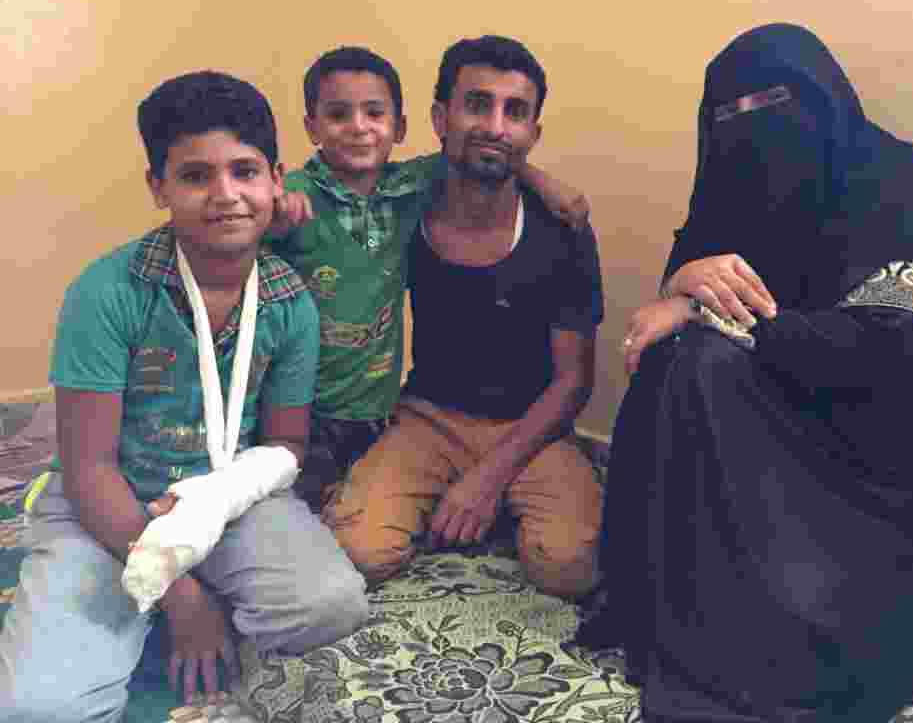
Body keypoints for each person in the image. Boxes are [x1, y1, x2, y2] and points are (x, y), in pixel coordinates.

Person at [576, 23, 913, 722]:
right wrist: (687, 283)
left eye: (774, 101)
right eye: (729, 113)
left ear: (826, 100)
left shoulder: (896, 181)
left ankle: (776, 617)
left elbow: (903, 349)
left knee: (706, 358)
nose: (751, 128)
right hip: (759, 418)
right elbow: (677, 300)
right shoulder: (725, 190)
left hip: (885, 451)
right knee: (684, 361)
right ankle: (684, 602)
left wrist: (717, 318)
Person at [0, 72, 369, 722]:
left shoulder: (289, 303)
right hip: (107, 504)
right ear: (158, 187)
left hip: (225, 499)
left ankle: (155, 606)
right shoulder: (109, 292)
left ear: (275, 179)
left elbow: (285, 446)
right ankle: (148, 608)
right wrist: (184, 598)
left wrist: (216, 500)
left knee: (330, 606)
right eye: (196, 176)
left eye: (245, 171)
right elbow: (89, 469)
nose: (225, 195)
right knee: (39, 711)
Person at [324, 35, 605, 600]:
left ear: (533, 134)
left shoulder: (561, 228)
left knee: (570, 569)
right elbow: (333, 187)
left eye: (515, 112)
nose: (496, 126)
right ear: (439, 117)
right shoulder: (400, 205)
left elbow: (573, 380)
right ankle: (453, 499)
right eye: (477, 104)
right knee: (357, 554)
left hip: (534, 427)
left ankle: (491, 501)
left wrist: (487, 477)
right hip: (428, 416)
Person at [269, 46, 592, 511]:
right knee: (322, 522)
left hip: (377, 404)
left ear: (399, 128)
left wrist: (544, 182)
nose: (358, 127)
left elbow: (491, 154)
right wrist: (276, 210)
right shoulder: (303, 198)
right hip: (308, 402)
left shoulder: (406, 190)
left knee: (567, 565)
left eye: (374, 113)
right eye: (339, 114)